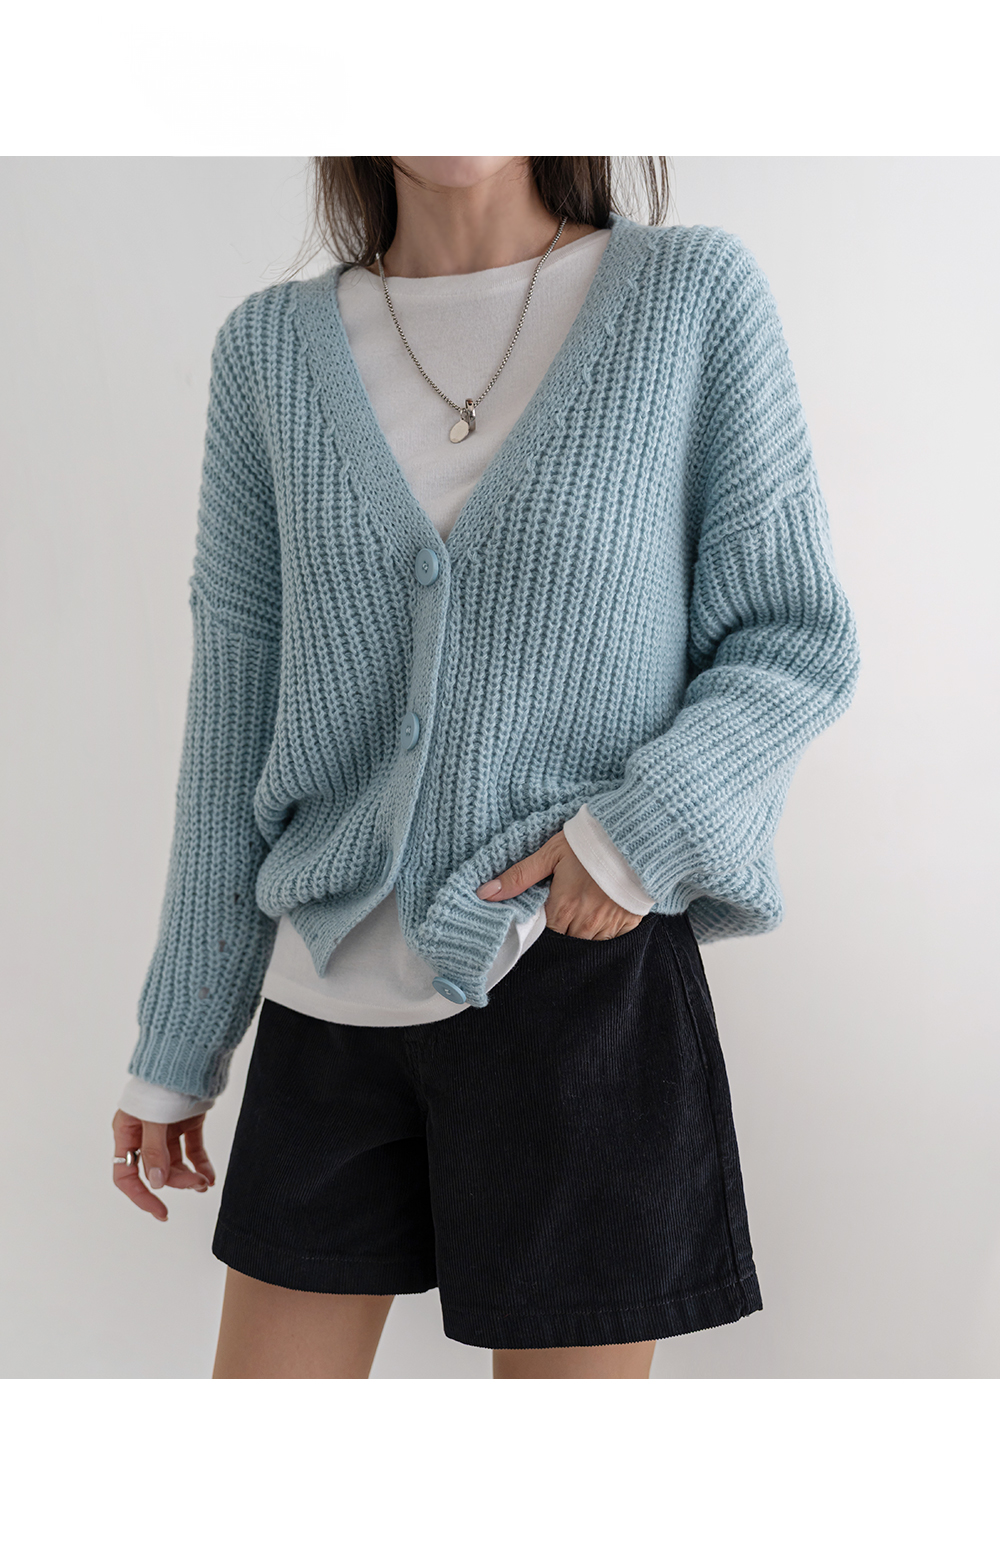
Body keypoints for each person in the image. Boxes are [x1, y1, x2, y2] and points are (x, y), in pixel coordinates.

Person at [112, 156, 860, 1379]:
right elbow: (234, 718)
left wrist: (634, 841)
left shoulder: (688, 296)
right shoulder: (269, 351)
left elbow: (792, 638)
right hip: (325, 1005)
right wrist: (179, 1037)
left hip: (579, 987)